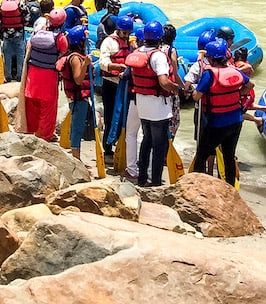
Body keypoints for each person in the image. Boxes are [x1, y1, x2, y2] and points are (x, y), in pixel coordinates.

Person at [126, 20, 179, 187]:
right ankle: (155, 181)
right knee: (158, 145)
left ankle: (142, 179)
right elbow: (163, 81)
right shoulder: (158, 56)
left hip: (142, 103)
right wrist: (176, 88)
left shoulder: (138, 51)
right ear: (159, 38)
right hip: (157, 106)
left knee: (146, 140)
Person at [192, 38, 249, 181]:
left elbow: (196, 96)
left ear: (211, 58)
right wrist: (236, 93)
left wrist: (192, 91)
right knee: (228, 156)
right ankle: (230, 188)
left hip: (216, 124)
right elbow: (250, 85)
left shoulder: (209, 74)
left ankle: (197, 186)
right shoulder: (234, 70)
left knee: (201, 156)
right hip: (236, 122)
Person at [23, 6, 67, 141]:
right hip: (48, 77)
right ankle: (46, 135)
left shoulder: (37, 33)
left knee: (32, 106)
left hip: (33, 76)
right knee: (48, 108)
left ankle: (31, 131)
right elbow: (63, 52)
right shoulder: (60, 38)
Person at [98, 13, 134, 156]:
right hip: (111, 84)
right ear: (118, 30)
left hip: (124, 84)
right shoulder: (109, 42)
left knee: (124, 117)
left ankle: (119, 144)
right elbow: (103, 63)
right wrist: (117, 67)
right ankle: (107, 147)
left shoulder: (130, 42)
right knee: (110, 115)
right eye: (124, 32)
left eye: (128, 33)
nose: (126, 35)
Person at [59, 25, 92, 161]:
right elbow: (78, 80)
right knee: (77, 129)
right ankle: (76, 160)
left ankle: (76, 157)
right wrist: (86, 63)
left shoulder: (72, 55)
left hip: (77, 98)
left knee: (78, 127)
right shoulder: (75, 59)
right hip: (78, 98)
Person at [0, 0, 28, 81]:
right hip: (18, 33)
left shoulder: (3, 2)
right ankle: (20, 76)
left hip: (6, 34)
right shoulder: (20, 3)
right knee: (20, 55)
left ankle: (8, 76)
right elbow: (27, 17)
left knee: (7, 56)